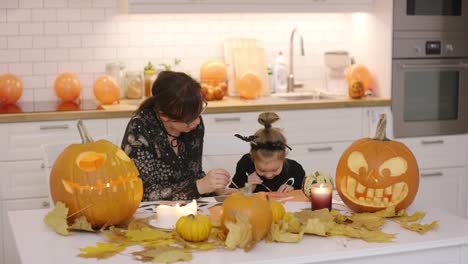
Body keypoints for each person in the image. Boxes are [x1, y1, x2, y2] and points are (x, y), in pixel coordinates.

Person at [121, 71, 232, 201]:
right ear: (164, 116)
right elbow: (143, 194)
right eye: (189, 119)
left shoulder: (193, 125)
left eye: (198, 113)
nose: (197, 121)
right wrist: (199, 186)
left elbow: (193, 174)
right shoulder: (140, 129)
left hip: (187, 208)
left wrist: (217, 189)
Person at [231, 112, 305, 193]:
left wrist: (293, 192)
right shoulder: (245, 164)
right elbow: (228, 197)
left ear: (283, 156)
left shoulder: (295, 170)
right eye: (261, 170)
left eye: (275, 170)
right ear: (253, 158)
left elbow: (306, 194)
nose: (268, 175)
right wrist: (249, 188)